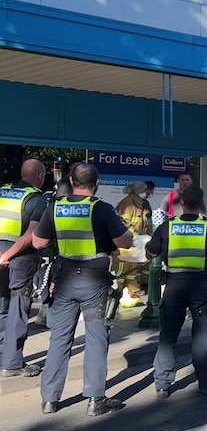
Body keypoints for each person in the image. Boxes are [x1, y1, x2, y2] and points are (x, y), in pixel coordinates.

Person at [33, 163, 133, 416]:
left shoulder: (56, 207)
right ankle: (95, 399)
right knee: (97, 338)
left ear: (71, 180)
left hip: (65, 282)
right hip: (94, 284)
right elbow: (125, 241)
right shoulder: (102, 209)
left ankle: (49, 399)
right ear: (96, 183)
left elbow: (38, 241)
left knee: (59, 339)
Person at [146, 186, 207, 399]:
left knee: (168, 335)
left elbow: (150, 252)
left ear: (181, 204)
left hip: (174, 285)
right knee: (202, 333)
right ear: (202, 205)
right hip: (200, 285)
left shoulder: (167, 227)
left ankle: (163, 384)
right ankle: (205, 383)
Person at [0, 159, 48, 378]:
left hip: (1, 259)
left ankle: (3, 356)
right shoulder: (37, 199)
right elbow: (30, 236)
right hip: (19, 259)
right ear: (39, 176)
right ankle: (12, 363)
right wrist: (7, 256)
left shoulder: (2, 192)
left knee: (1, 308)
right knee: (18, 309)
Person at [113, 181, 152, 303]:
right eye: (144, 190)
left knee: (132, 268)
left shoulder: (140, 204)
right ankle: (117, 291)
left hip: (136, 242)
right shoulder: (128, 204)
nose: (146, 192)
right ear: (137, 191)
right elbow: (123, 223)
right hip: (125, 242)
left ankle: (133, 289)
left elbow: (145, 223)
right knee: (121, 268)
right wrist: (135, 236)